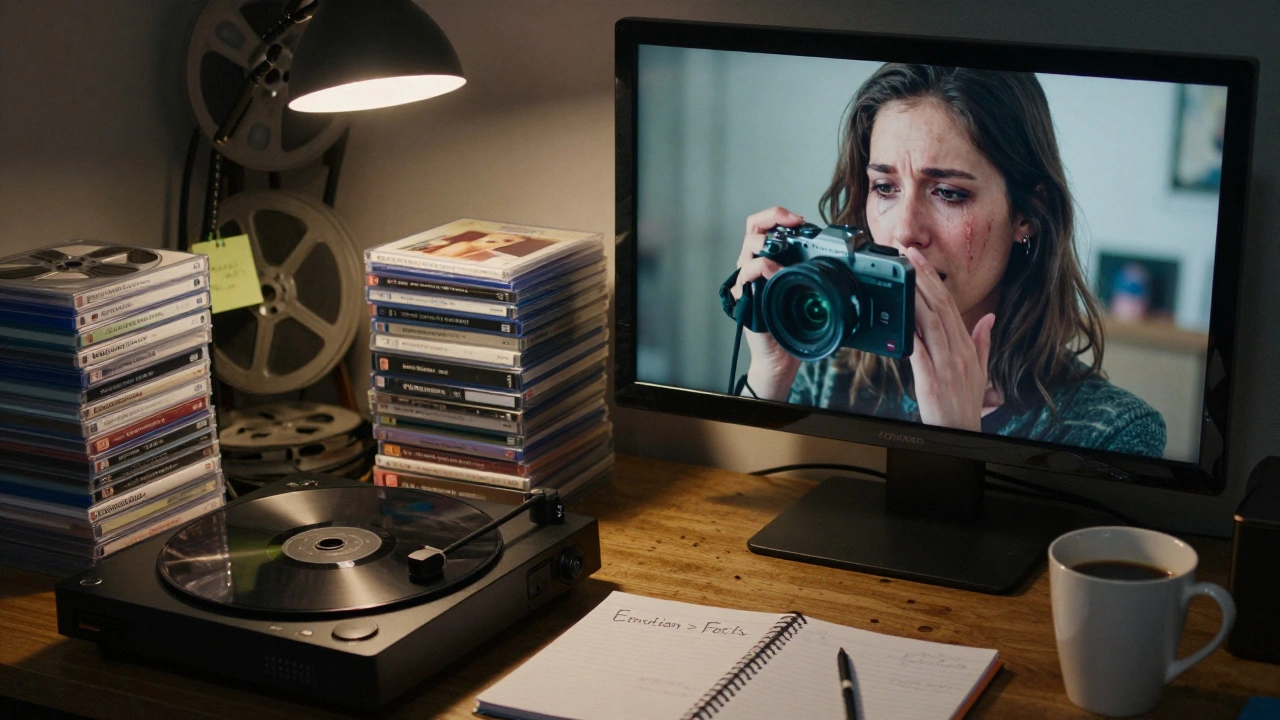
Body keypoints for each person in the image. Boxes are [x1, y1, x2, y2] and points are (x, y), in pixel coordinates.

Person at [729, 63, 1166, 457]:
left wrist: (956, 440)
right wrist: (769, 376)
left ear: (1028, 215)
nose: (904, 230)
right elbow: (730, 523)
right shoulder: (827, 371)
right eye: (884, 187)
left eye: (949, 193)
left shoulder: (1114, 432)